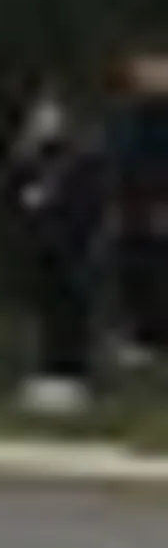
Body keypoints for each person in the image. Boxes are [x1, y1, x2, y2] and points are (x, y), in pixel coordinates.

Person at [5, 83, 106, 415]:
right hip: (41, 243)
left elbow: (91, 200)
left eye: (50, 115)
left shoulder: (82, 156)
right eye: (39, 116)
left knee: (71, 309)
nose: (44, 121)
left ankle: (73, 375)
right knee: (46, 309)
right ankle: (47, 371)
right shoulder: (30, 154)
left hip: (72, 244)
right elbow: (13, 188)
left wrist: (58, 207)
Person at [102, 39, 168, 365]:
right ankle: (141, 336)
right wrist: (115, 204)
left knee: (158, 270)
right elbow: (120, 162)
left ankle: (155, 335)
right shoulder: (127, 114)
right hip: (132, 205)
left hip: (158, 202)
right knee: (134, 270)